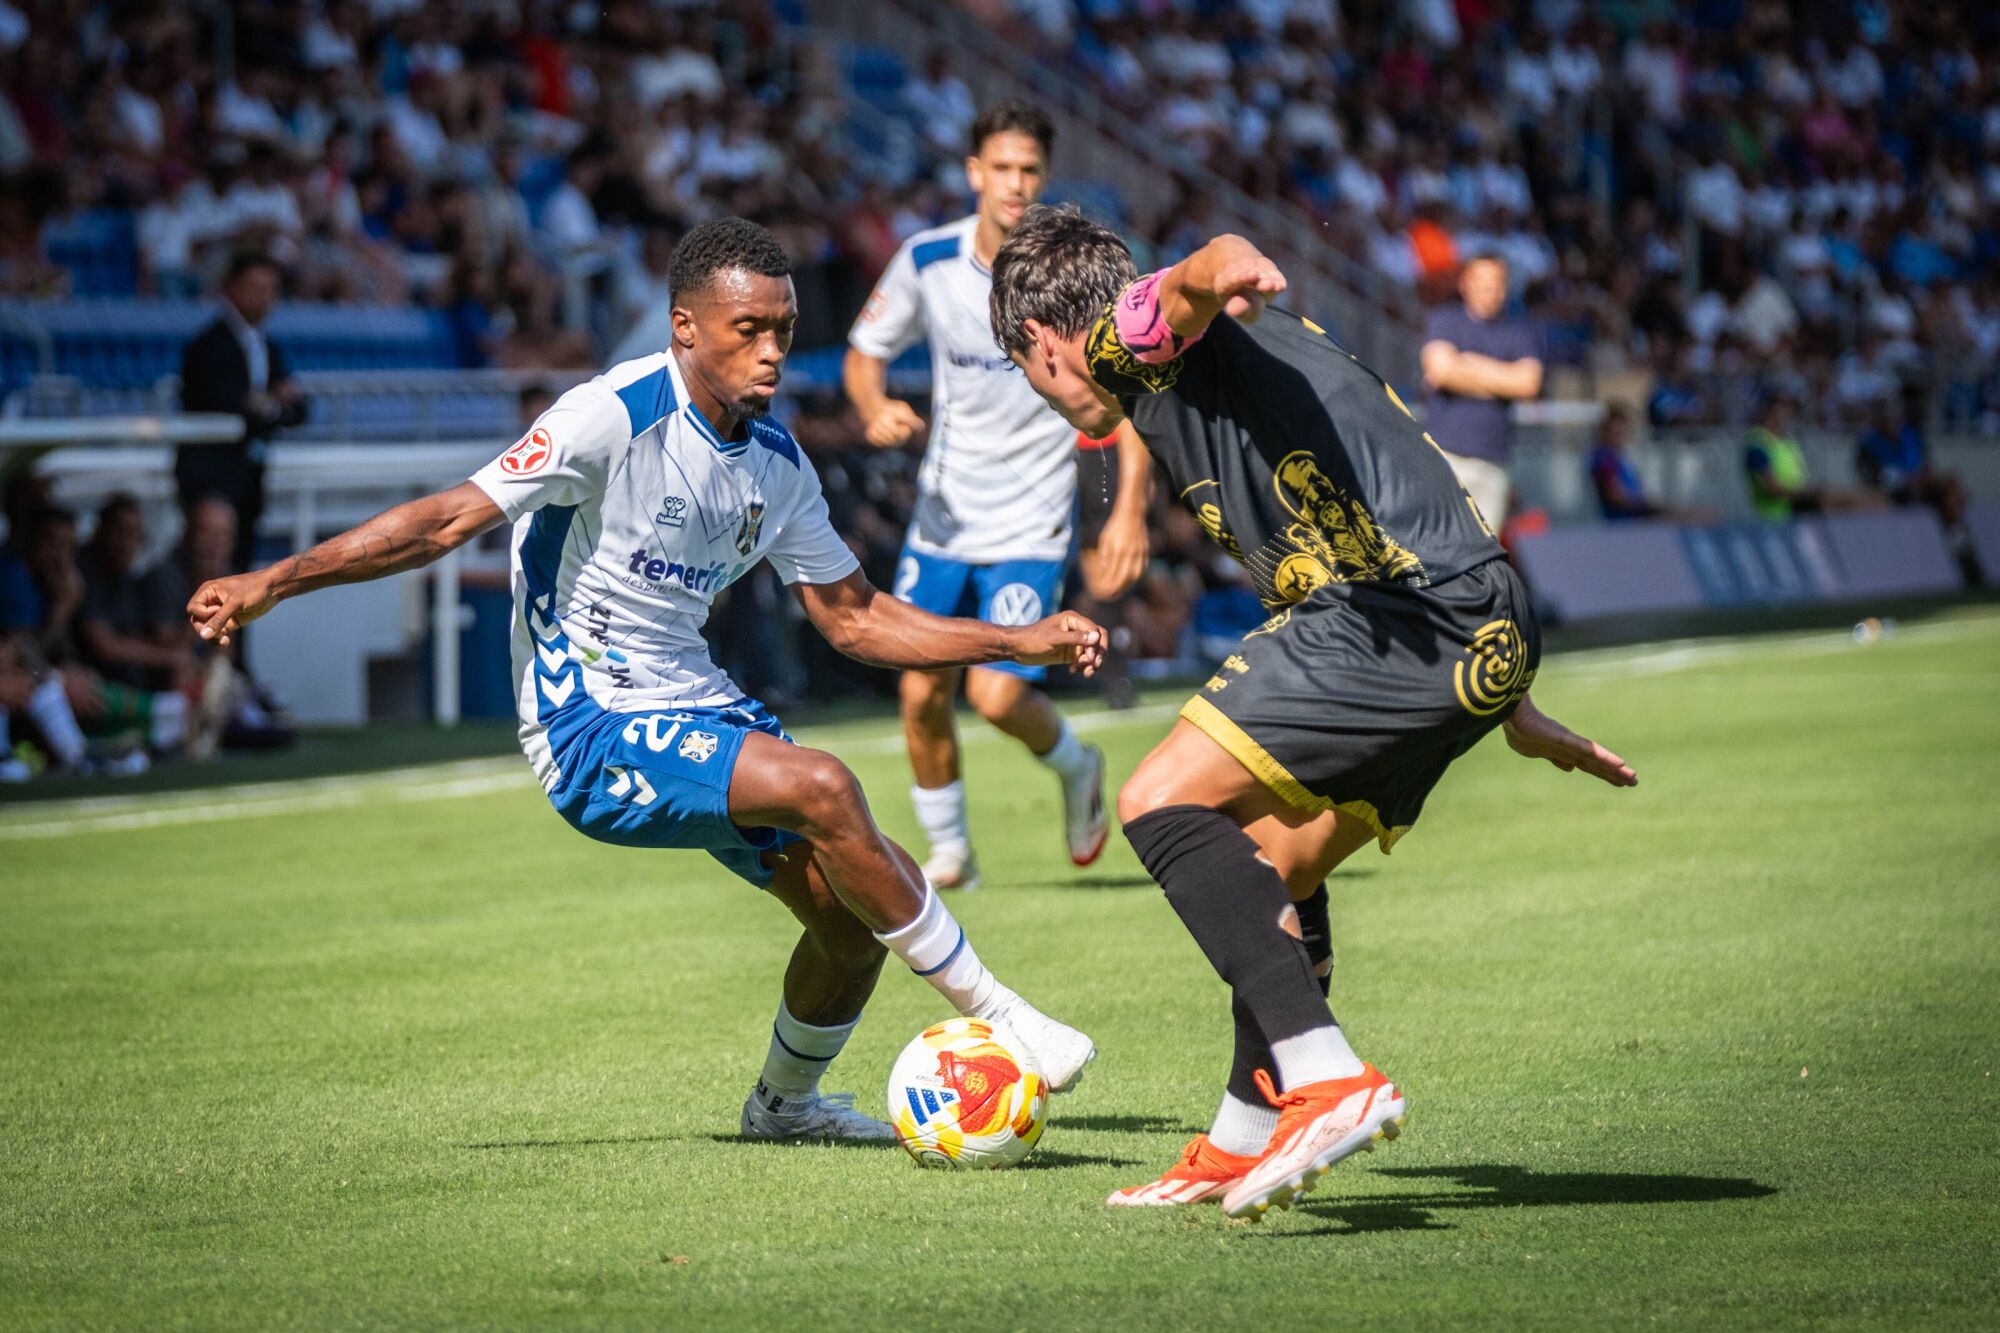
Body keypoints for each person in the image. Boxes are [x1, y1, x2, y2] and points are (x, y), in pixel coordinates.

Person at [186, 218, 1104, 1143]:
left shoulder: (778, 464)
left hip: (696, 702)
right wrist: (275, 578)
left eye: (783, 329)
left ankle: (785, 1107)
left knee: (852, 913)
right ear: (684, 327)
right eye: (748, 329)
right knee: (825, 785)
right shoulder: (611, 416)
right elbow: (445, 521)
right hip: (589, 721)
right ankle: (1002, 1013)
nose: (773, 350)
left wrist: (1014, 640)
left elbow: (856, 617)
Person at [990, 206, 1635, 1219]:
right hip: (1471, 630)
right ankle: (1244, 1134)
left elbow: (1194, 276)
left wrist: (1229, 261)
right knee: (1268, 858)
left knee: (1158, 800)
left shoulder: (1125, 337)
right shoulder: (1188, 376)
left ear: (1042, 341)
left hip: (1397, 618)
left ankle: (1326, 1075)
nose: (1039, 391)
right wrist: (1510, 701)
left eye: (1025, 369)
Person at [842, 101, 1148, 889]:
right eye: (1002, 167)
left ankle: (1078, 765)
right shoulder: (927, 261)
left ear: (1045, 177)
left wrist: (1128, 511)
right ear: (974, 172)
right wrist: (875, 407)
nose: (1015, 183)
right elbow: (864, 352)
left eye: (1030, 170)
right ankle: (953, 855)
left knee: (999, 691)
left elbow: (1134, 390)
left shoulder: (1070, 273)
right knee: (919, 689)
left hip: (1031, 516)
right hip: (943, 514)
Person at [177, 249, 308, 574]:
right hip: (210, 474)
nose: (263, 297)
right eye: (254, 286)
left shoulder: (267, 346)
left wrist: (265, 407)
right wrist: (268, 406)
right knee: (210, 568)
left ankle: (235, 628)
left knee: (244, 571)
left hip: (250, 475)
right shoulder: (208, 345)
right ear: (230, 286)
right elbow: (227, 404)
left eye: (270, 289)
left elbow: (298, 408)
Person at [1419, 254, 1545, 530]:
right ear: (1466, 284)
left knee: (1484, 554)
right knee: (1439, 542)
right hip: (1446, 456)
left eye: (1497, 282)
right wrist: (1502, 379)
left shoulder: (1518, 332)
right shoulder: (1445, 320)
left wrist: (1469, 365)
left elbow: (1528, 384)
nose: (1490, 289)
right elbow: (1441, 371)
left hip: (1494, 461)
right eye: (1483, 281)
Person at [1743, 391, 1881, 522]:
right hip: (1779, 513)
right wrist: (1809, 494)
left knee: (1870, 498)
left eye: (1789, 407)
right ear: (1768, 409)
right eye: (1782, 406)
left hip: (1796, 504)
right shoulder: (1758, 443)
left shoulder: (1788, 441)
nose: (1787, 412)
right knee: (1830, 498)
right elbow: (1771, 487)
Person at [1856, 394, 1968, 530]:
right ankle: (1953, 527)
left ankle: (1955, 527)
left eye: (1895, 416)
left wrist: (1923, 477)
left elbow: (1927, 464)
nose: (1892, 421)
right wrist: (1906, 479)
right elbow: (1875, 477)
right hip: (1896, 490)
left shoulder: (1912, 436)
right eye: (1886, 417)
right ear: (1878, 419)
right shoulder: (1869, 445)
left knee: (1952, 482)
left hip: (1921, 484)